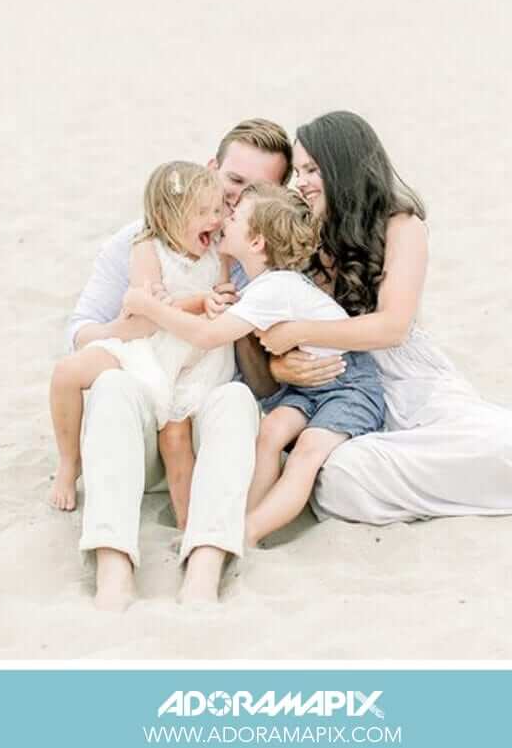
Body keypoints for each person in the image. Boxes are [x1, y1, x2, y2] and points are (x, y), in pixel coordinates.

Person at [253, 111, 512, 527]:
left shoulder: (401, 225)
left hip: (410, 381)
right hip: (344, 394)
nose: (302, 182)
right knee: (344, 484)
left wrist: (299, 332)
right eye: (299, 171)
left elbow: (392, 327)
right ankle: (477, 486)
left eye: (313, 169)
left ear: (342, 166)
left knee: (494, 443)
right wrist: (280, 362)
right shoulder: (300, 229)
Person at [71, 119, 317, 611]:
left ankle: (203, 563)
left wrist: (263, 346)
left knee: (237, 397)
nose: (234, 201)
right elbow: (79, 331)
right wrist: (133, 321)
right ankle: (114, 566)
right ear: (211, 170)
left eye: (255, 190)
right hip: (141, 420)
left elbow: (264, 377)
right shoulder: (140, 240)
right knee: (112, 387)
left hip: (206, 429)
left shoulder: (255, 250)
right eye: (233, 182)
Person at [121, 183, 386, 549]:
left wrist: (150, 307)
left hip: (350, 385)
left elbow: (207, 336)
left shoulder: (274, 289)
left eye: (234, 216)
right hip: (309, 387)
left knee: (307, 452)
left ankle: (247, 532)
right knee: (270, 433)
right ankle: (242, 519)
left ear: (258, 242)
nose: (224, 219)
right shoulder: (266, 288)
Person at [49, 161, 233, 524]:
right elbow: (149, 315)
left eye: (218, 209)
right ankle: (69, 463)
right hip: (147, 347)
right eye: (202, 212)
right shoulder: (147, 247)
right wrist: (200, 302)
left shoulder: (218, 252)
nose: (215, 219)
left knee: (176, 437)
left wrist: (215, 300)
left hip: (193, 357)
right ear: (167, 216)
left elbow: (221, 297)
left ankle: (187, 523)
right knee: (66, 373)